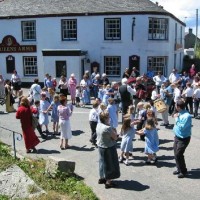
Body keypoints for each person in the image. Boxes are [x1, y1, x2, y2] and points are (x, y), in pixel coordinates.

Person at [96, 111, 120, 189]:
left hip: (100, 146)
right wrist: (115, 131)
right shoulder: (107, 128)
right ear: (106, 118)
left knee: (102, 163)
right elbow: (115, 137)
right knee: (110, 164)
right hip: (108, 147)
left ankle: (102, 178)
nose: (109, 118)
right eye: (108, 117)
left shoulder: (99, 124)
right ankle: (108, 182)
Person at [172, 100, 192, 178]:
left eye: (176, 106)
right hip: (177, 136)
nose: (175, 107)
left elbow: (182, 127)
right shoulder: (180, 112)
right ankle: (179, 168)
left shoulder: (187, 116)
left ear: (178, 107)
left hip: (183, 138)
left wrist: (176, 118)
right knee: (176, 153)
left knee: (179, 154)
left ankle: (183, 171)